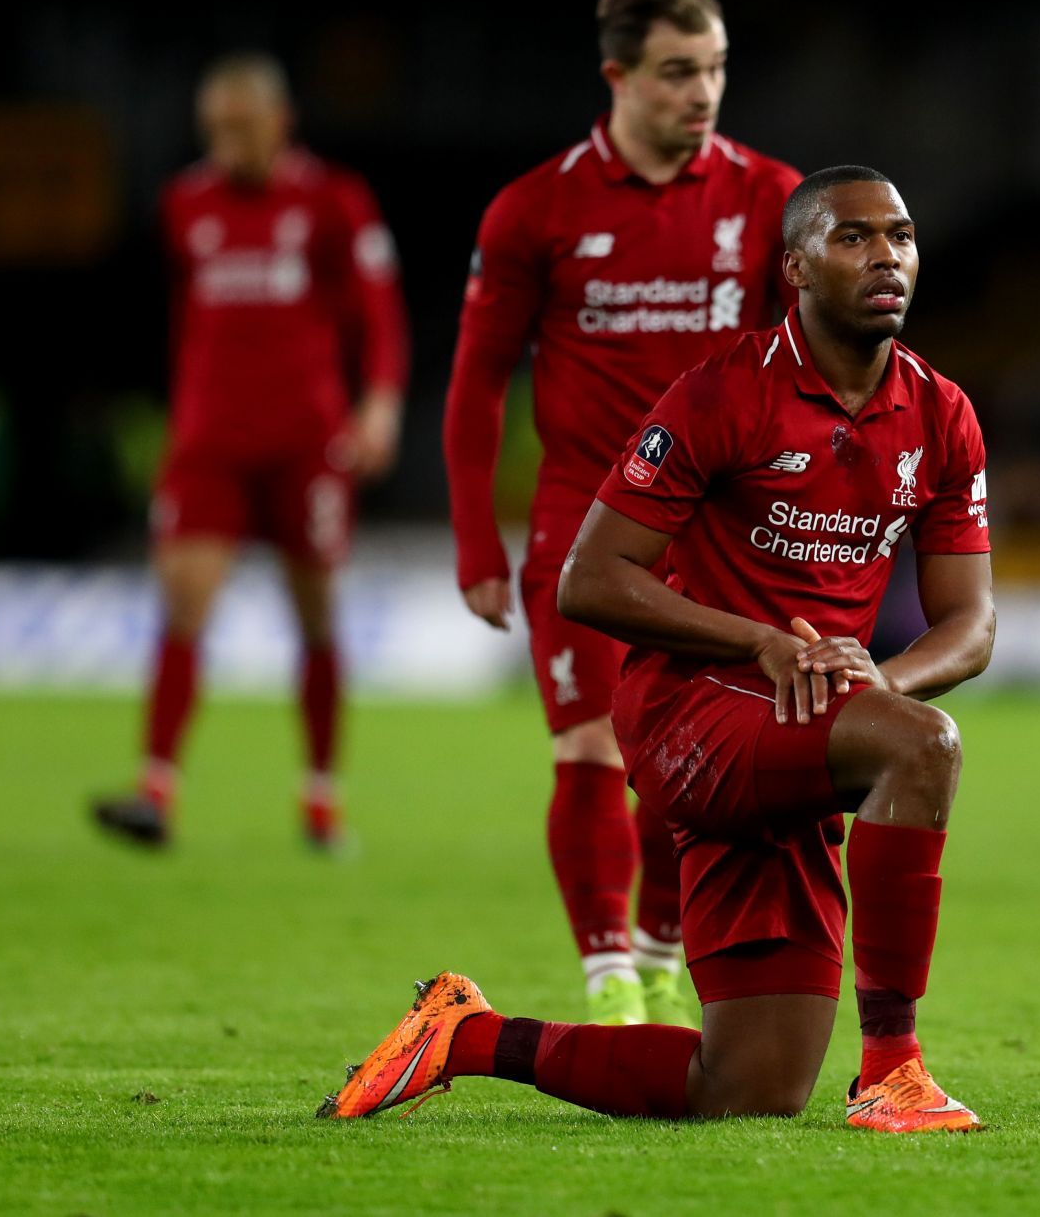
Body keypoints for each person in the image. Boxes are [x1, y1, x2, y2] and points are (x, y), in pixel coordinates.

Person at [321, 167, 995, 1133]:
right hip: (694, 715)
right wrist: (763, 644)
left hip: (810, 734)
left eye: (902, 234)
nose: (888, 255)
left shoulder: (941, 414)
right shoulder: (722, 393)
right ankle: (893, 1068)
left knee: (748, 1087)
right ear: (795, 266)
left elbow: (972, 623)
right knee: (924, 746)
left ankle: (464, 1036)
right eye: (855, 238)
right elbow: (589, 580)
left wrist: (878, 682)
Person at [444, 0, 802, 1025]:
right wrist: (476, 541)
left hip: (720, 529)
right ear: (616, 76)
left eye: (717, 71)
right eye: (677, 73)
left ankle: (657, 944)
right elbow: (476, 382)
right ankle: (609, 983)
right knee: (590, 746)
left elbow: (800, 370)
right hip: (584, 523)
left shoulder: (770, 198)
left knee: (687, 761)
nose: (703, 94)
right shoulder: (537, 208)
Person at [91, 53, 408, 851]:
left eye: (239, 126)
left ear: (280, 122)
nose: (224, 143)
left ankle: (321, 800)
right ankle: (155, 793)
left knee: (315, 615)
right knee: (184, 601)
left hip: (307, 442)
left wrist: (380, 402)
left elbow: (379, 310)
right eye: (213, 129)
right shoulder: (184, 204)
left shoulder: (334, 201)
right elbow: (185, 318)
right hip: (210, 441)